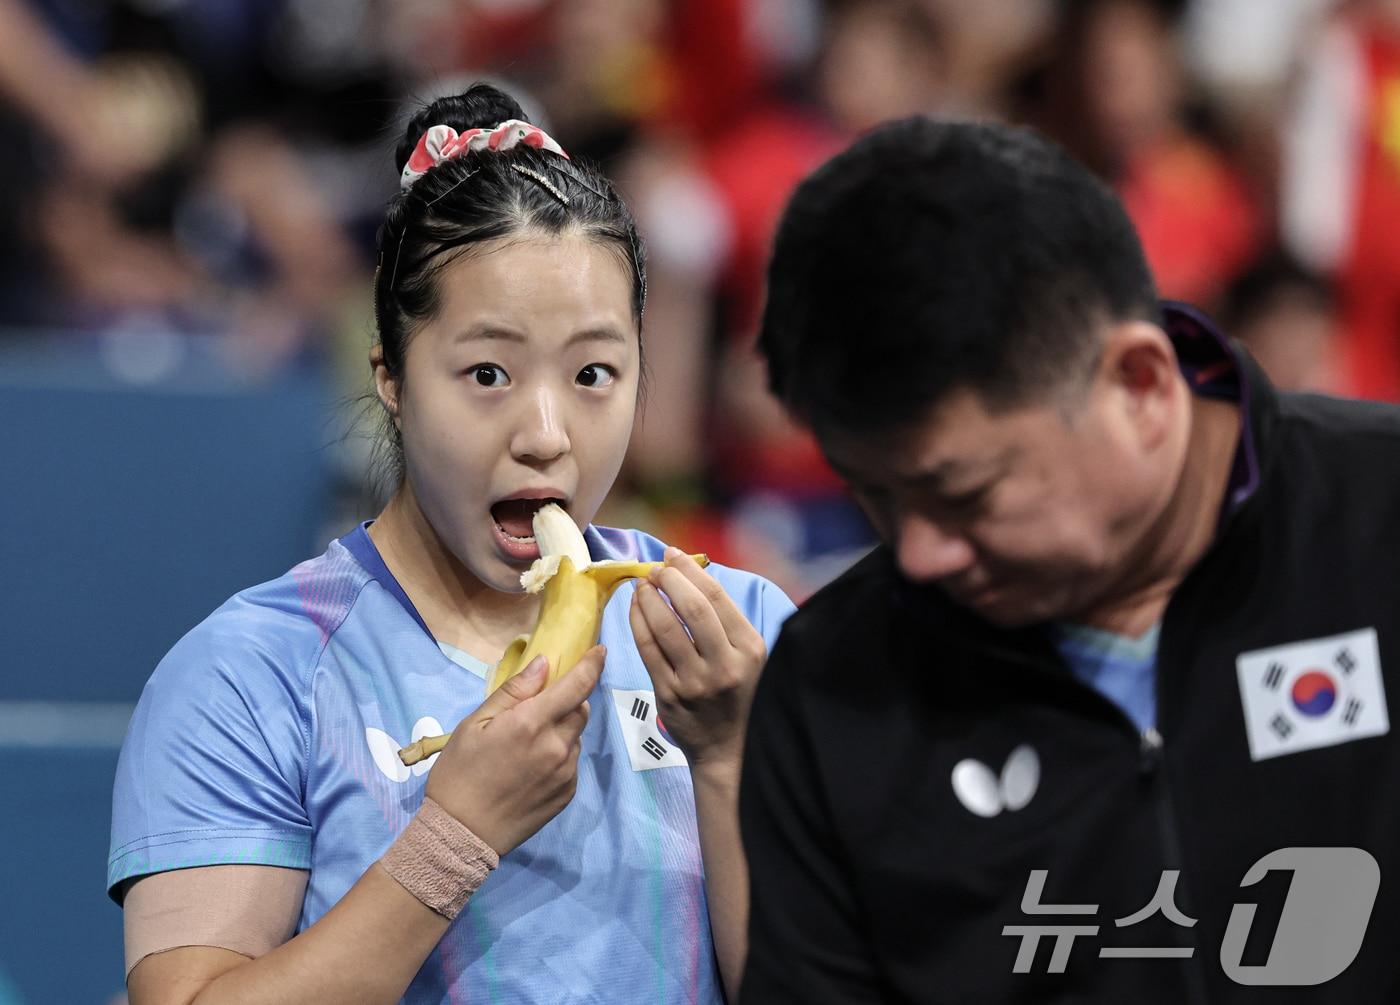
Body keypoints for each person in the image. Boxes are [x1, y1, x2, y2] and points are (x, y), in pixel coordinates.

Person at [108, 83, 794, 1004]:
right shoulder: (253, 673)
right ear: (390, 375)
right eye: (487, 372)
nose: (546, 431)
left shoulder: (736, 636)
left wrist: (729, 758)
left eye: (594, 372)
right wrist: (455, 836)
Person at [739, 117, 1400, 1002]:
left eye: (965, 494)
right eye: (877, 495)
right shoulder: (833, 685)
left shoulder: (1381, 517)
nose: (922, 552)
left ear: (1140, 386)